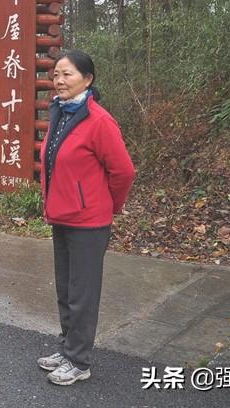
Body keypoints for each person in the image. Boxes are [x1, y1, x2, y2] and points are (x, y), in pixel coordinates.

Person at [37, 49, 136, 386]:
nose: (59, 80)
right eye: (56, 75)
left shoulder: (99, 121)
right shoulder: (60, 113)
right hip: (62, 216)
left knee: (83, 293)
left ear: (88, 79)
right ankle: (67, 349)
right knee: (66, 289)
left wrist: (109, 206)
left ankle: (79, 361)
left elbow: (123, 171)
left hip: (89, 222)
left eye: (67, 74)